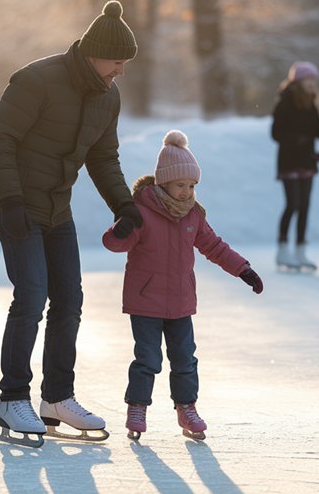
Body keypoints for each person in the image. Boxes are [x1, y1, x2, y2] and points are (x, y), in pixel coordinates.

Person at [0, 0, 139, 447]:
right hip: (15, 203)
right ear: (95, 53)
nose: (121, 71)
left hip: (55, 207)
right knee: (31, 294)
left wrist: (123, 206)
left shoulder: (108, 96)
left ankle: (56, 398)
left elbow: (103, 157)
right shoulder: (37, 80)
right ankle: (13, 398)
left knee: (69, 298)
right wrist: (10, 200)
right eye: (117, 61)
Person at [103, 130, 263, 440]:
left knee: (185, 359)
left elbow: (215, 247)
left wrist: (244, 269)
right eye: (181, 185)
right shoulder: (142, 213)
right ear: (163, 182)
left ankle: (186, 407)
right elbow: (113, 244)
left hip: (180, 302)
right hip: (146, 301)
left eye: (191, 186)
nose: (187, 192)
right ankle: (137, 406)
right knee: (148, 359)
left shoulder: (193, 216)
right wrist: (120, 228)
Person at [271, 61, 319, 271]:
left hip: (307, 162)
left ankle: (300, 251)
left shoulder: (311, 104)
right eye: (308, 79)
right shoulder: (285, 103)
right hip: (289, 162)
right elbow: (276, 133)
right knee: (292, 204)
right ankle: (283, 250)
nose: (312, 83)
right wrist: (297, 140)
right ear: (298, 81)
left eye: (314, 80)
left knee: (304, 207)